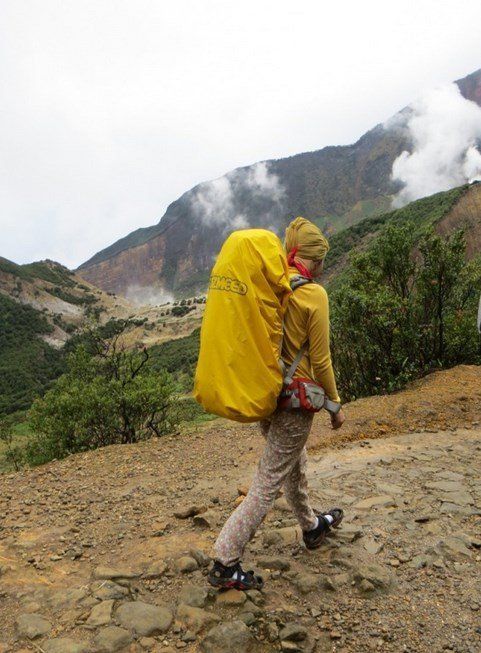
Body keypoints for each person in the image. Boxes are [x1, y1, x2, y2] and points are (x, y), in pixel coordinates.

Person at [208, 217, 345, 591]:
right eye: (321, 261)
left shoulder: (273, 282)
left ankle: (311, 527)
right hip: (296, 402)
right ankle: (225, 558)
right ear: (313, 260)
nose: (321, 267)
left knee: (292, 464)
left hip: (267, 394)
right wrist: (334, 404)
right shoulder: (314, 295)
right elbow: (322, 360)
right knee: (268, 481)